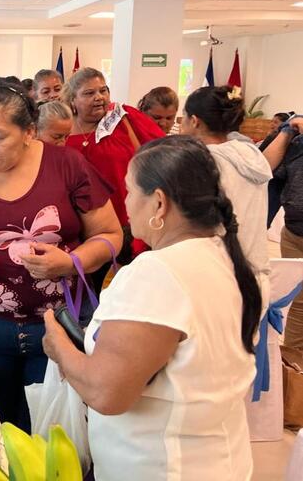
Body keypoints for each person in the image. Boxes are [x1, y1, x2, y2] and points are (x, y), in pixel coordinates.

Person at [43, 136, 262, 480]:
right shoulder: (225, 257)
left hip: (160, 466)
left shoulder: (158, 274)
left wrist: (60, 349)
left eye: (130, 191)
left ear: (159, 203)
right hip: (218, 458)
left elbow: (106, 392)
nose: (125, 203)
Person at [0, 81, 122, 431]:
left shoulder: (68, 166)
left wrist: (70, 262)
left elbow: (111, 235)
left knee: (46, 427)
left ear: (29, 132)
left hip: (58, 327)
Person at [63, 67, 164, 274]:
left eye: (103, 90)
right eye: (89, 93)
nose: (99, 97)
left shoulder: (124, 118)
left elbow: (163, 153)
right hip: (81, 226)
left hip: (128, 221)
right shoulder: (61, 129)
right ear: (73, 100)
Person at [180, 85, 271, 308]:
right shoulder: (251, 155)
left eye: (183, 118)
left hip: (218, 275)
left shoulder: (203, 162)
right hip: (255, 274)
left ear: (194, 121)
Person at [263, 115, 303, 349]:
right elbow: (264, 168)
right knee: (298, 303)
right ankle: (295, 359)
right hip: (294, 233)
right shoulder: (297, 142)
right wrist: (285, 133)